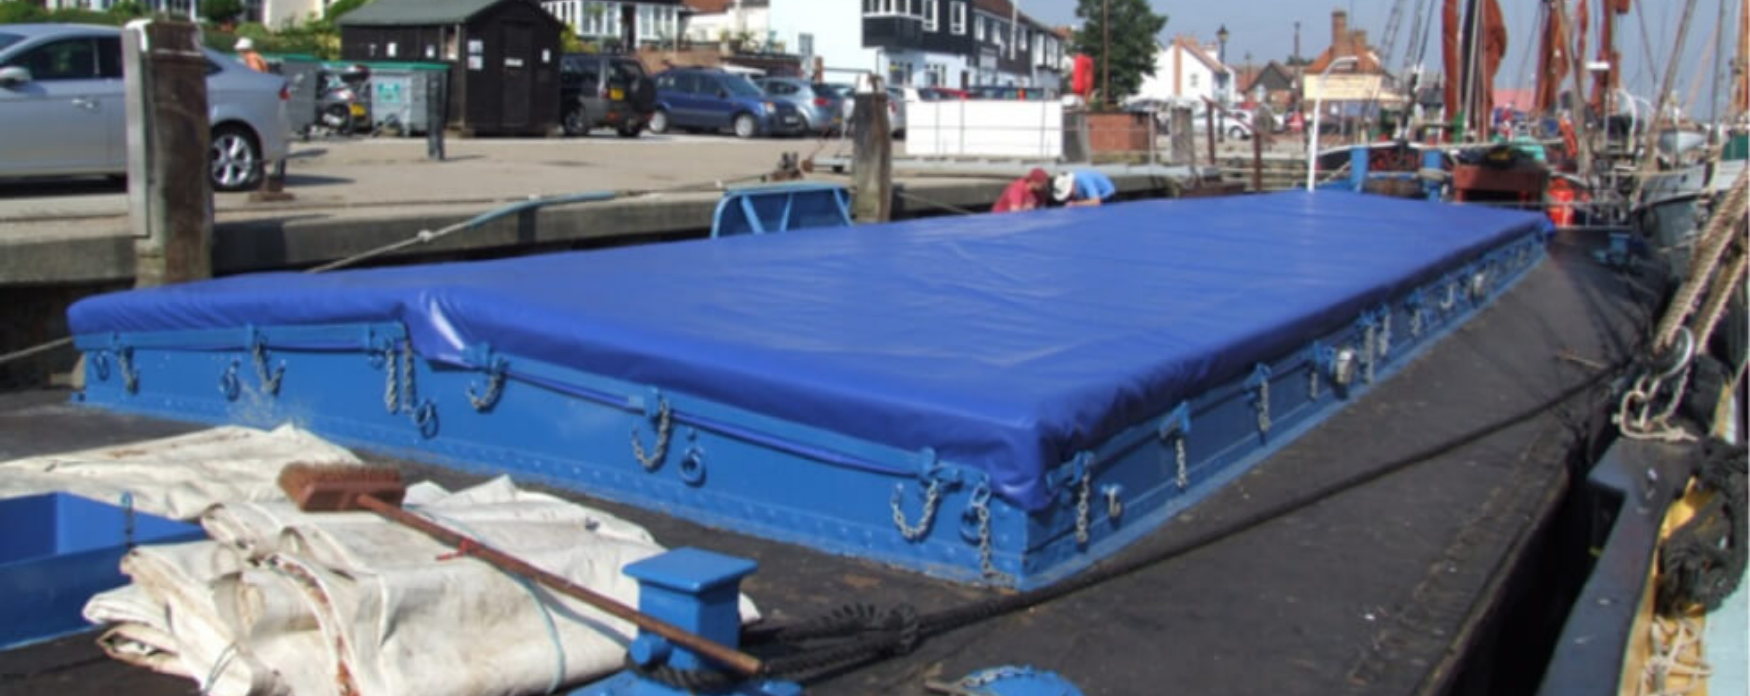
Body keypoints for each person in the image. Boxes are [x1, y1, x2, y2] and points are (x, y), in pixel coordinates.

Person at [1050, 170, 1117, 208]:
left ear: (1071, 185)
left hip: (1108, 197)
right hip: (1090, 197)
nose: (1069, 195)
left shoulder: (1083, 179)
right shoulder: (1074, 186)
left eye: (1069, 193)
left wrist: (1075, 204)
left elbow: (1096, 202)